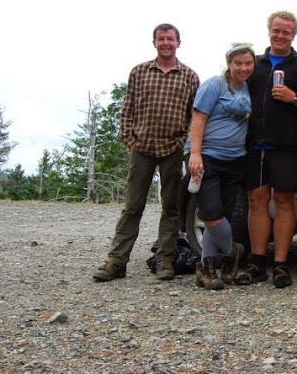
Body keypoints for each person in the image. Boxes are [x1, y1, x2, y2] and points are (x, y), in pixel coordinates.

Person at [93, 23, 200, 282]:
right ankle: (116, 261)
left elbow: (194, 114)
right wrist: (129, 138)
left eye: (170, 39)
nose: (166, 43)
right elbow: (127, 107)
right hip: (142, 148)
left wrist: (182, 140)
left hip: (172, 149)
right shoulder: (140, 72)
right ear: (154, 43)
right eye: (161, 39)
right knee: (133, 206)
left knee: (171, 208)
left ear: (178, 43)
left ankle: (165, 260)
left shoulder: (189, 76)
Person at [235, 11, 297, 289]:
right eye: (276, 30)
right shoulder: (254, 64)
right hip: (255, 143)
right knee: (256, 201)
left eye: (286, 32)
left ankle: (281, 263)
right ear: (269, 31)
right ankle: (257, 262)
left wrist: (295, 98)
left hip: (287, 144)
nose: (281, 36)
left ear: (294, 35)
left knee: (283, 202)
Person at [186, 42, 254, 290]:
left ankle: (206, 270)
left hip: (235, 159)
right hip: (206, 157)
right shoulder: (214, 85)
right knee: (211, 213)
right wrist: (195, 154)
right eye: (238, 63)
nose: (243, 68)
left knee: (222, 214)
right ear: (229, 63)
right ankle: (233, 250)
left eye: (248, 63)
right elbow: (198, 118)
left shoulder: (247, 88)